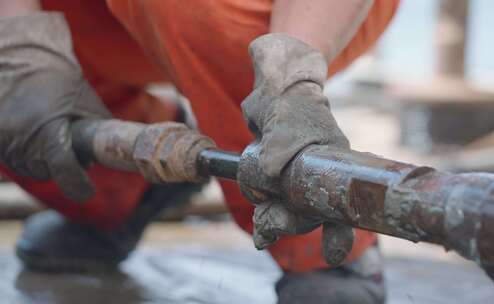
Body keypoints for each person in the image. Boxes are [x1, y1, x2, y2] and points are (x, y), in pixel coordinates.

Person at [0, 0, 398, 302]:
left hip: (301, 16)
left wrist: (291, 78)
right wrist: (20, 46)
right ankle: (122, 184)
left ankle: (321, 253)